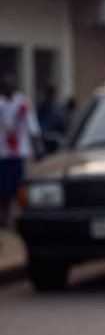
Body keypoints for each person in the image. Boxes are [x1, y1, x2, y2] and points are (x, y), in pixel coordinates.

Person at [0, 74, 42, 229]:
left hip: (19, 152)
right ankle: (4, 217)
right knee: (3, 188)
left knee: (20, 186)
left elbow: (33, 128)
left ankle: (21, 215)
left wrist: (38, 149)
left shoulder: (23, 104)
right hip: (2, 153)